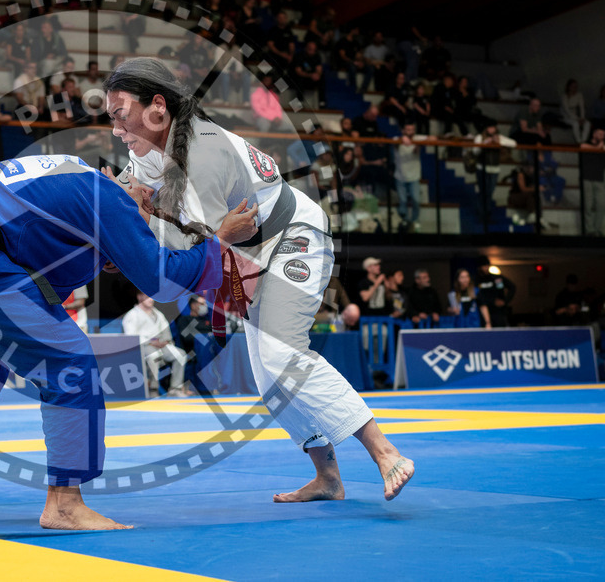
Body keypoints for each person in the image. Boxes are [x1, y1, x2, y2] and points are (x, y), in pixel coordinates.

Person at [0, 152, 259, 530]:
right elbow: (162, 282)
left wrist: (102, 252)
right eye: (149, 204)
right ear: (132, 184)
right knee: (68, 360)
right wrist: (221, 239)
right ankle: (64, 504)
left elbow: (33, 272)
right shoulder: (107, 197)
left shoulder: (72, 175)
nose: (148, 217)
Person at [105, 57, 414, 503]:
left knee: (281, 351)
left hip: (292, 237)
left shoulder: (205, 155)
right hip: (247, 254)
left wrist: (134, 237)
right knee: (268, 374)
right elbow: (126, 201)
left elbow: (196, 255)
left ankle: (386, 453)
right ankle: (327, 477)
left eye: (119, 115)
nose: (116, 129)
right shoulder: (152, 148)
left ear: (157, 106)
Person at [123, 291, 188, 397]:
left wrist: (165, 341)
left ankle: (175, 388)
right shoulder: (132, 315)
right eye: (148, 297)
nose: (151, 300)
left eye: (152, 297)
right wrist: (150, 342)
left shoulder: (158, 313)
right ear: (139, 297)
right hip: (144, 347)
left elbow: (166, 330)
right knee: (154, 356)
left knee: (180, 354)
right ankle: (153, 389)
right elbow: (131, 337)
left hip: (161, 346)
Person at [393, 122, 425, 233]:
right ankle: (405, 220)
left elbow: (432, 137)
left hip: (414, 177)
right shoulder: (396, 139)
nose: (410, 132)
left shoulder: (417, 138)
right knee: (403, 200)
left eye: (412, 130)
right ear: (403, 130)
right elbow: (395, 144)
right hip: (400, 176)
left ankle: (415, 220)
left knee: (416, 200)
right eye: (407, 129)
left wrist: (417, 144)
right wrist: (403, 139)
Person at [475, 256, 515, 328]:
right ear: (479, 267)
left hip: (497, 312)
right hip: (483, 312)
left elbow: (512, 287)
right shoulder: (476, 280)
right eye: (484, 266)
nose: (486, 268)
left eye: (487, 265)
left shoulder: (496, 278)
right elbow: (477, 296)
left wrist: (505, 301)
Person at [580, 126, 605, 235]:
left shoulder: (603, 147)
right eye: (599, 133)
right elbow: (583, 146)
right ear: (594, 133)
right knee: (588, 205)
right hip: (587, 178)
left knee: (601, 204)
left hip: (599, 178)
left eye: (603, 134)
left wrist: (601, 147)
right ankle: (589, 230)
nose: (601, 136)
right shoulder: (585, 143)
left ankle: (598, 228)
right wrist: (597, 148)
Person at [561, 79, 589, 144]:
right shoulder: (564, 96)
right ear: (568, 87)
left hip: (576, 117)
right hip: (566, 117)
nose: (574, 88)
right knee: (575, 124)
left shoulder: (579, 95)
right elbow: (566, 110)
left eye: (575, 86)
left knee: (587, 123)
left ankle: (583, 140)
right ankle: (578, 141)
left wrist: (582, 118)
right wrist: (577, 119)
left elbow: (582, 107)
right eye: (572, 86)